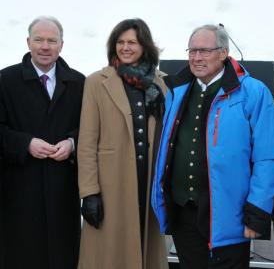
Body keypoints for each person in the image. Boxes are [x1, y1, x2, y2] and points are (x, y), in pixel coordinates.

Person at [152, 24, 274, 269]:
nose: (196, 58)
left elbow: (268, 158)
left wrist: (258, 211)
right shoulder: (176, 91)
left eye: (204, 51)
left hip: (230, 214)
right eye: (192, 51)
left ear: (223, 53)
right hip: (184, 211)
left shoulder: (253, 93)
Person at [77, 18, 168, 269]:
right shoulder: (96, 82)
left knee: (146, 248)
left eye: (132, 42)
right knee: (108, 256)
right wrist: (89, 192)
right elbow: (86, 142)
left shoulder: (162, 83)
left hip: (148, 182)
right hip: (111, 185)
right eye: (120, 42)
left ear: (144, 46)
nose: (125, 47)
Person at [0, 16, 85, 269]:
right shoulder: (6, 81)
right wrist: (25, 143)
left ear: (61, 45)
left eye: (51, 40)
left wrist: (72, 142)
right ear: (28, 42)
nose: (45, 46)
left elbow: (91, 129)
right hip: (18, 188)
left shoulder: (80, 83)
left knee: (63, 255)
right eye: (38, 40)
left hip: (63, 187)